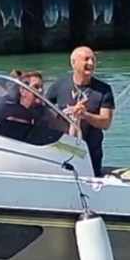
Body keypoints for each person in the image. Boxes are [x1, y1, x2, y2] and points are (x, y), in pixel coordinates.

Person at [46, 46, 114, 176]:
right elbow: (44, 113)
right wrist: (64, 115)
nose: (91, 63)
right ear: (73, 63)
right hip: (62, 152)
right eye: (86, 59)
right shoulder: (58, 86)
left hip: (90, 154)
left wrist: (85, 115)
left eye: (93, 60)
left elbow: (106, 123)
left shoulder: (104, 90)